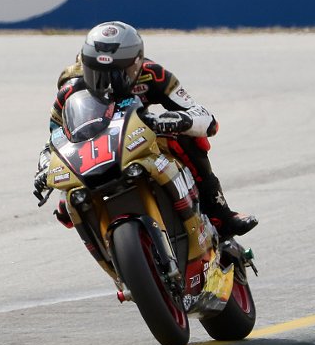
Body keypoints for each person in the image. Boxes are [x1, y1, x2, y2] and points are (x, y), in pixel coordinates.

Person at [35, 21, 257, 239]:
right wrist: (44, 169)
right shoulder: (70, 88)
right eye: (98, 73)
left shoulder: (154, 75)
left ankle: (221, 214)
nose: (109, 83)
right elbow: (55, 139)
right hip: (93, 150)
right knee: (66, 207)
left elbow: (207, 120)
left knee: (188, 141)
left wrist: (179, 120)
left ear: (137, 63)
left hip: (136, 133)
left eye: (119, 73)